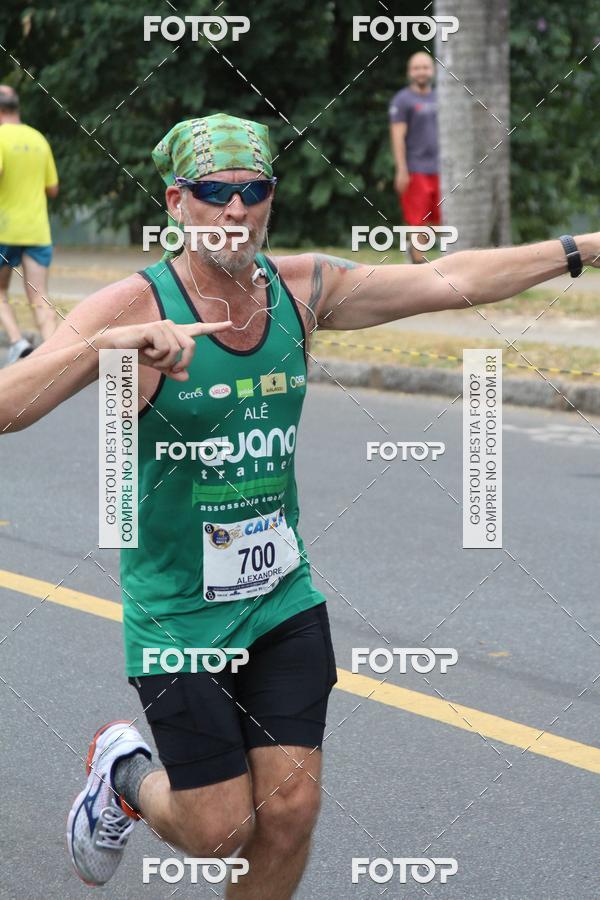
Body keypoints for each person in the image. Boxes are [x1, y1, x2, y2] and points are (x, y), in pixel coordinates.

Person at [0, 112, 597, 897]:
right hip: (179, 610)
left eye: (253, 192)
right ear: (177, 201)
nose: (236, 211)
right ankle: (124, 774)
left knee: (291, 810)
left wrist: (581, 249)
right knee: (221, 835)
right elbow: (9, 407)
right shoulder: (130, 304)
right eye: (215, 193)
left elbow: (451, 280)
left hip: (282, 596)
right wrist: (107, 348)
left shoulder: (303, 287)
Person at [0, 85, 59, 365]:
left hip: (4, 228)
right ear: (16, 108)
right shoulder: (38, 139)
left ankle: (17, 342)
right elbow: (53, 189)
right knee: (40, 296)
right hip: (37, 230)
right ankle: (56, 355)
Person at [389, 52, 439, 264]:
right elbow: (397, 136)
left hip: (441, 169)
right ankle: (418, 265)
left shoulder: (441, 97)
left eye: (425, 67)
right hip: (415, 169)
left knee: (437, 221)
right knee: (417, 220)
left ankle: (413, 252)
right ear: (410, 72)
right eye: (416, 68)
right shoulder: (402, 100)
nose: (421, 72)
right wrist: (401, 169)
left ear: (433, 71)